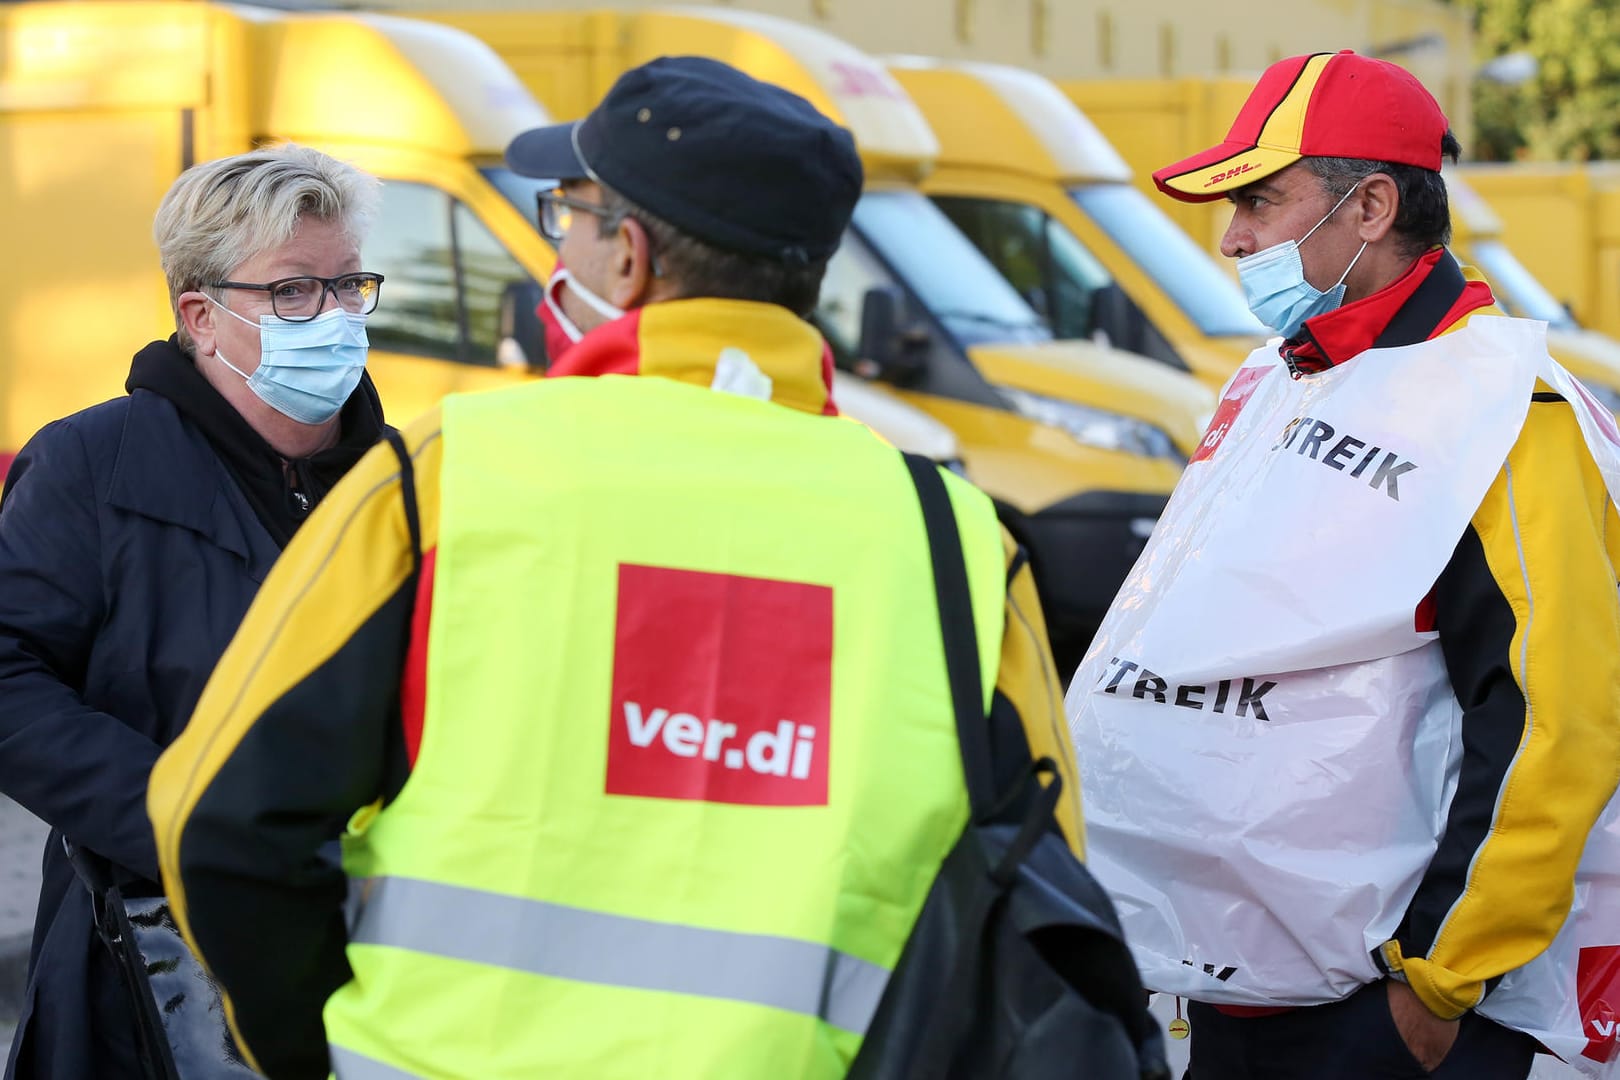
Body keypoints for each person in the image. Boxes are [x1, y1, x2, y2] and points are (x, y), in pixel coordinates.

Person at [147, 57, 1092, 1080]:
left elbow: (216, 816)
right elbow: (1047, 886)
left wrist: (302, 1047)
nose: (561, 240)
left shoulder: (451, 474)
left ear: (629, 259)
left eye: (570, 214)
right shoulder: (953, 537)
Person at [1066, 50, 1620, 1080]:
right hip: (1242, 988)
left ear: (1368, 207)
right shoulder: (1291, 374)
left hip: (1385, 1014)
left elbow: (1558, 722)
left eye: (1261, 201)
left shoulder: (1505, 415)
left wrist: (1432, 985)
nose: (1233, 237)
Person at [0, 144, 388, 1079]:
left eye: (349, 286)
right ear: (201, 316)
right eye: (293, 293)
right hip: (145, 963)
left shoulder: (402, 482)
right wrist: (189, 818)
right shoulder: (95, 463)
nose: (331, 318)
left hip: (366, 949)